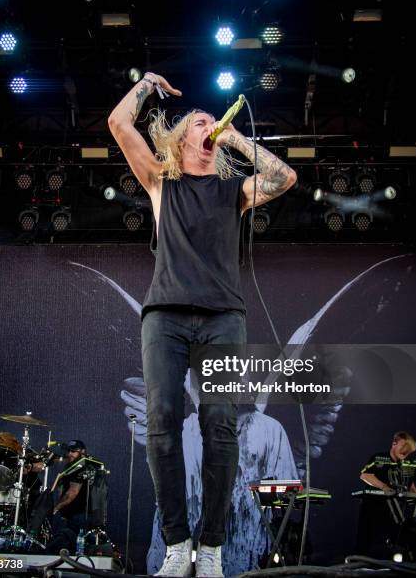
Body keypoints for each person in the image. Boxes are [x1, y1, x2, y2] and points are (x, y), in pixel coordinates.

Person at [108, 73, 297, 577]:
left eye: (213, 121)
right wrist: (147, 85)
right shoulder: (160, 181)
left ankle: (210, 544)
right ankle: (176, 542)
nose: (208, 124)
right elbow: (119, 123)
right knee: (163, 421)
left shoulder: (233, 191)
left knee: (220, 424)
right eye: (199, 121)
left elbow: (284, 179)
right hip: (165, 315)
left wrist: (234, 136)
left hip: (222, 317)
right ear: (180, 139)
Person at [357, 431, 416, 561]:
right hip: (372, 507)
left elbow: (412, 488)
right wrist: (384, 487)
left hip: (394, 510)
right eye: (403, 446)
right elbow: (365, 475)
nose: (405, 452)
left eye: (408, 450)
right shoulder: (379, 458)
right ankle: (360, 565)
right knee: (366, 539)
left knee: (396, 540)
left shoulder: (405, 466)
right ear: (394, 443)